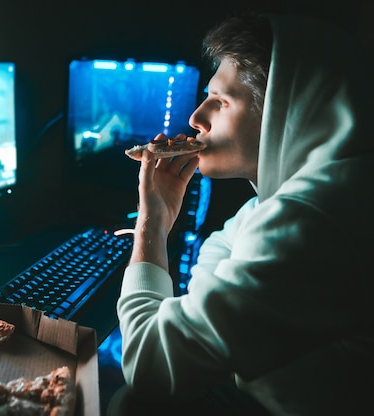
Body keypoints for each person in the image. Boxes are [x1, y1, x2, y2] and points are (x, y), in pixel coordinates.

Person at [114, 12, 374, 415]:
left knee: (125, 402)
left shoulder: (311, 220)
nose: (196, 119)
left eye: (220, 102)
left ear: (284, 112)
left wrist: (153, 222)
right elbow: (215, 265)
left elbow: (150, 368)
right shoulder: (275, 205)